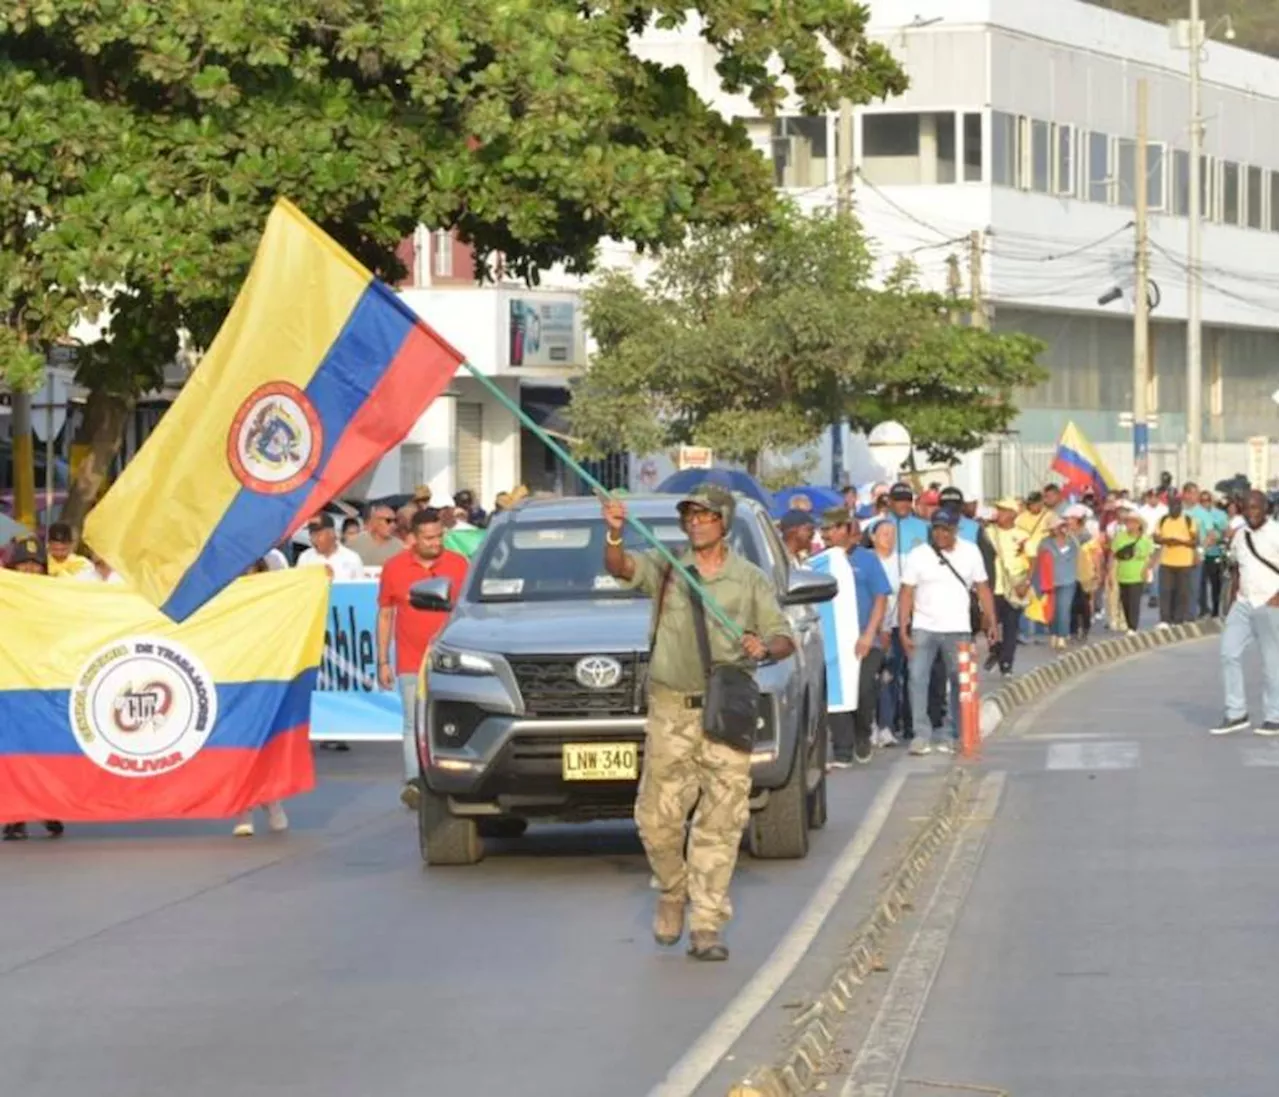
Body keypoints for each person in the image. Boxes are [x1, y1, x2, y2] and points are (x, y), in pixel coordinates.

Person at [602, 485, 794, 961]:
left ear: (723, 522)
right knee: (656, 820)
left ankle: (707, 924)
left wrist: (763, 647)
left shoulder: (748, 579)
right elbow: (621, 568)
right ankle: (672, 889)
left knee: (721, 821)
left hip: (725, 711)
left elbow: (782, 636)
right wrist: (614, 534)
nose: (696, 523)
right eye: (689, 515)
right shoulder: (667, 567)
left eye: (706, 516)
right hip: (670, 710)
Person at [377, 508, 470, 809]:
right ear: (413, 539)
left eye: (439, 536)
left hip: (453, 662)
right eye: (428, 538)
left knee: (456, 719)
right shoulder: (394, 568)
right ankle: (415, 783)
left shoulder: (459, 565)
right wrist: (383, 661)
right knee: (412, 723)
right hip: (410, 660)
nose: (435, 543)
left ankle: (457, 778)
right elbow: (386, 614)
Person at [898, 510, 996, 756]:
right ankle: (922, 735)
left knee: (958, 682)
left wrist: (992, 621)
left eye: (946, 530)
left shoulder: (970, 551)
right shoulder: (918, 555)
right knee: (918, 679)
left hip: (958, 629)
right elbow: (907, 592)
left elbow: (982, 587)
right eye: (937, 529)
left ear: (956, 530)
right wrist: (903, 628)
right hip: (924, 627)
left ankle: (956, 733)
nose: (941, 534)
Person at [814, 507, 889, 766]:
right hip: (834, 642)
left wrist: (869, 634)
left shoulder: (867, 559)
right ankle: (842, 748)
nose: (828, 534)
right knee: (836, 693)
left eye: (834, 528)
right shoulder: (820, 561)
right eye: (825, 529)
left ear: (847, 529)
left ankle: (862, 734)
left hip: (865, 640)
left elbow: (881, 597)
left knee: (864, 690)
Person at [3, 537, 64, 841]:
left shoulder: (56, 596)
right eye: (23, 564)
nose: (28, 569)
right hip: (9, 683)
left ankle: (46, 806)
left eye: (34, 564)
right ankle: (16, 816)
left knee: (43, 748)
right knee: (12, 750)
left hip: (44, 682)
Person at [1214, 490, 1280, 736]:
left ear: (1266, 508)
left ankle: (1274, 715)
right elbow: (1238, 569)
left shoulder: (1276, 533)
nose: (1252, 512)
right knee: (1228, 653)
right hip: (1243, 603)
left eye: (1256, 507)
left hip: (1269, 603)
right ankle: (1236, 712)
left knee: (1272, 663)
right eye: (1247, 508)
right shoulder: (1241, 536)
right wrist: (1232, 601)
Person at [986, 498, 1031, 676]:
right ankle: (996, 650)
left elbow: (1032, 561)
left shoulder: (1022, 535)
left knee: (1011, 627)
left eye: (1004, 510)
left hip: (1013, 588)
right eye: (999, 510)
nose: (1000, 514)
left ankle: (1007, 663)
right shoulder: (988, 532)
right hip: (992, 588)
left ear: (1013, 514)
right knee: (990, 625)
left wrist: (1026, 583)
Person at [871, 519, 902, 745]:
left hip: (895, 627)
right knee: (872, 679)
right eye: (883, 534)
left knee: (889, 679)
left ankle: (887, 726)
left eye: (892, 534)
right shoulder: (867, 561)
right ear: (872, 537)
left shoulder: (903, 562)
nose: (889, 538)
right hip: (871, 627)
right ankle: (871, 725)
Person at [1034, 515, 1079, 650]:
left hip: (1068, 580)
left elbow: (1078, 550)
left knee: (1064, 608)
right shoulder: (1045, 543)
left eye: (1059, 527)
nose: (1056, 530)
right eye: (1054, 528)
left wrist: (1070, 534)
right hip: (1051, 581)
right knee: (1053, 610)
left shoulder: (1071, 541)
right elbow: (1039, 561)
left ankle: (1062, 636)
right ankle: (1054, 632)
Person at [1154, 498, 1197, 626]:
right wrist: (1166, 541)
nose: (1174, 509)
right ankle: (1165, 619)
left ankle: (1179, 619)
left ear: (1181, 507)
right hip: (1166, 561)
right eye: (1172, 507)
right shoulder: (1162, 520)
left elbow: (1194, 541)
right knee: (1165, 591)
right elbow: (1156, 538)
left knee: (1182, 592)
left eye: (1177, 507)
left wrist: (1179, 542)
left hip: (1184, 562)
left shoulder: (1188, 521)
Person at [1111, 510, 1155, 634]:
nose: (1129, 525)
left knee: (1134, 602)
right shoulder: (1120, 537)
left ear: (1138, 524)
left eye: (1132, 522)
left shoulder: (1145, 540)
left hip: (1138, 575)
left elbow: (1149, 557)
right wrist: (1110, 573)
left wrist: (1146, 571)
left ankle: (1132, 627)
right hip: (1123, 574)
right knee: (1125, 601)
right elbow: (1113, 555)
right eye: (1127, 522)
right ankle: (1129, 623)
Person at [296, 513, 365, 581]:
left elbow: (360, 589)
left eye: (318, 535)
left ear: (331, 533)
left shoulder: (352, 558)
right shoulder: (305, 558)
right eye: (311, 535)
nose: (313, 540)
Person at [1197, 491, 1229, 618]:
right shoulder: (1197, 514)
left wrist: (1220, 538)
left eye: (1207, 500)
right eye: (1202, 500)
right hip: (1199, 553)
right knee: (1200, 583)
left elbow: (1226, 531)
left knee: (1216, 583)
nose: (1205, 503)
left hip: (1214, 552)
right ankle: (1203, 608)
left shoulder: (1220, 514)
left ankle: (1216, 609)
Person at [350, 502, 402, 567]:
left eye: (395, 521)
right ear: (375, 521)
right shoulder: (355, 542)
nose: (393, 525)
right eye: (388, 520)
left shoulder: (400, 547)